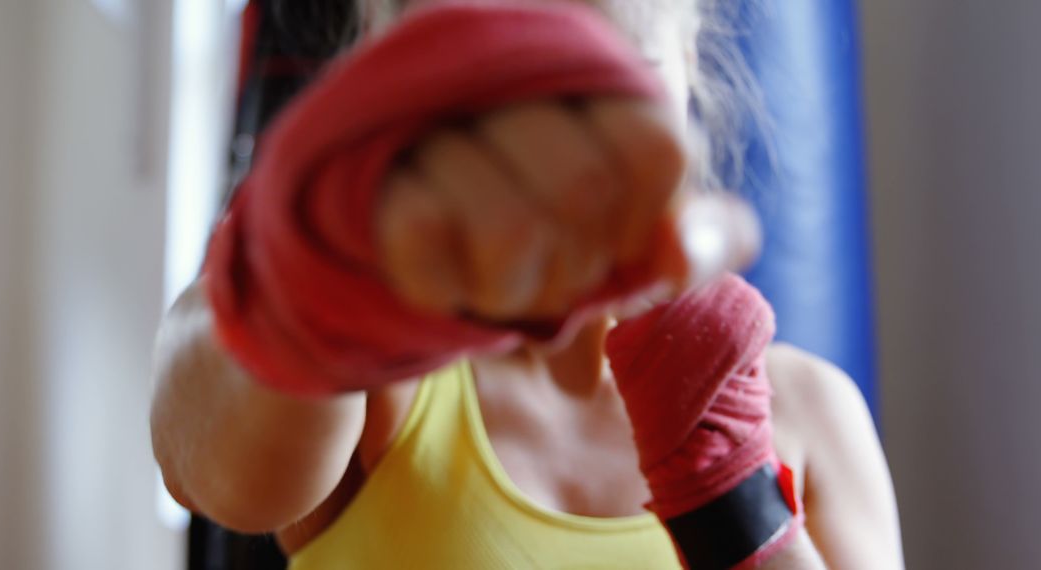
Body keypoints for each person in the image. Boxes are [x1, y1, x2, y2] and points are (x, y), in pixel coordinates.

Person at [151, 0, 903, 568]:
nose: (562, 163)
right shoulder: (381, 393)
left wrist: (732, 496)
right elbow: (206, 458)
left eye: (614, 78)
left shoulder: (808, 412)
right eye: (494, 100)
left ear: (685, 60)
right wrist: (317, 277)